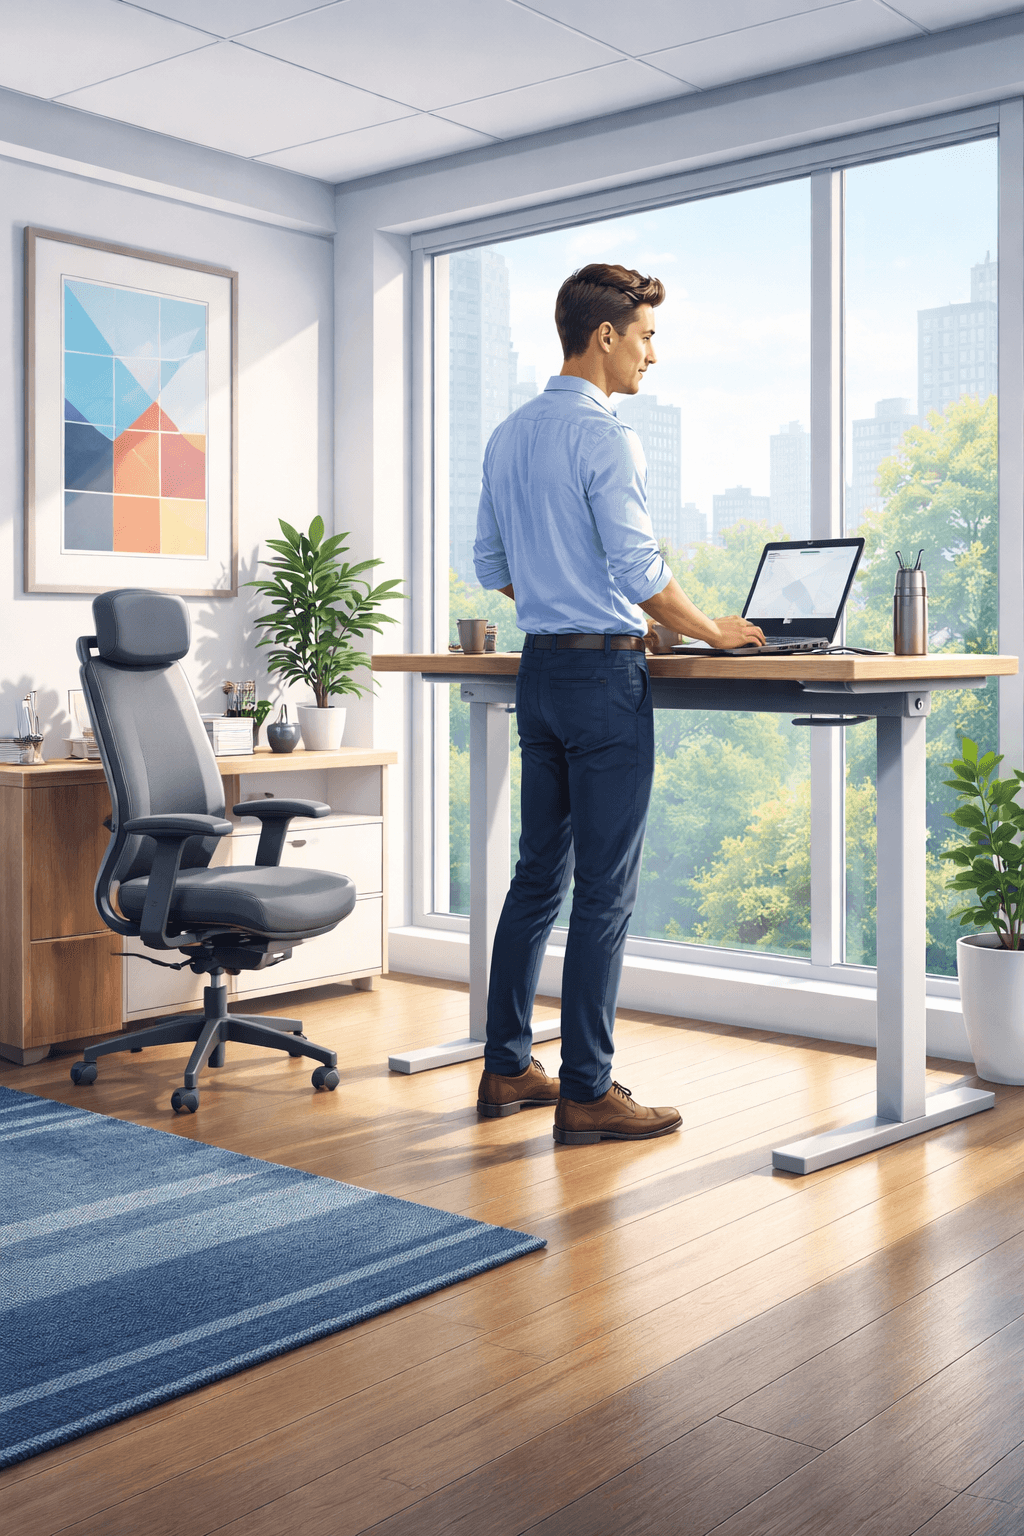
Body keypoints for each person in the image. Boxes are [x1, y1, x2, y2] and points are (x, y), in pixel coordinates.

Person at [472, 263, 765, 1145]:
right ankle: (588, 1091)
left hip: (540, 674)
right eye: (645, 337)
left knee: (536, 878)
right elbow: (641, 570)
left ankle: (507, 1067)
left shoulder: (508, 435)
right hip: (603, 683)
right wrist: (710, 631)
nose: (651, 356)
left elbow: (492, 566)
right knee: (603, 891)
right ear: (605, 336)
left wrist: (564, 601)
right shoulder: (607, 437)